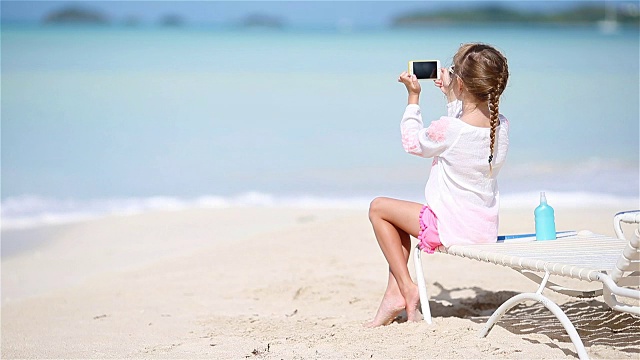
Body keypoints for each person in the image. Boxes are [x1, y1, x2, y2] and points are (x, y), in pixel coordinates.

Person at [365, 43, 510, 327]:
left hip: (450, 227)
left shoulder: (450, 129)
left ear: (461, 83)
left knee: (378, 208)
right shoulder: (501, 125)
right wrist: (452, 97)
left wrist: (413, 98)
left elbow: (413, 142)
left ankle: (406, 287)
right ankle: (394, 294)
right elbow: (464, 128)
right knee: (395, 220)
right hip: (483, 227)